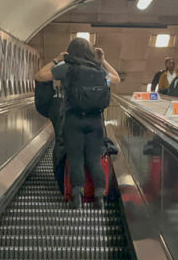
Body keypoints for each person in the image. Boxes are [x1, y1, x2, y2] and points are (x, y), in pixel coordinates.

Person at [36, 37, 121, 209]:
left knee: (75, 158)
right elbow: (117, 78)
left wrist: (57, 59)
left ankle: (77, 196)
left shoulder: (66, 68)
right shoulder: (99, 71)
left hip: (72, 120)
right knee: (94, 158)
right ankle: (99, 196)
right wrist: (103, 61)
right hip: (95, 120)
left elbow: (39, 76)